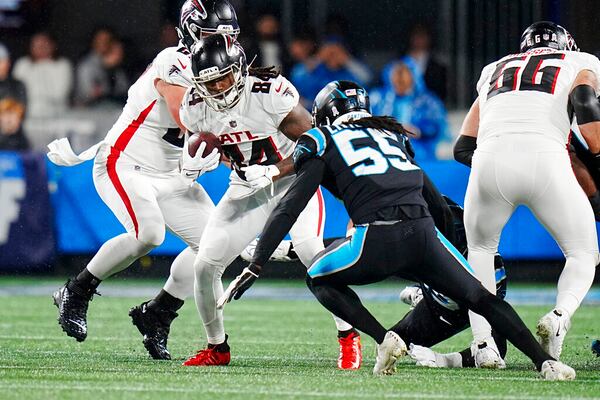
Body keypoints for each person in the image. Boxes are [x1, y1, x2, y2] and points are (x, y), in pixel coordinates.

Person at [220, 80, 576, 380]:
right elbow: (430, 195)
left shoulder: (322, 139)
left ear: (326, 114)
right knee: (482, 298)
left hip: (376, 238)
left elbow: (289, 205)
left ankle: (382, 338)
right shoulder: (392, 135)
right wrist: (451, 257)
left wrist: (257, 263)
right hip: (423, 235)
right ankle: (546, 363)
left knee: (319, 277)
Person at [48, 0, 239, 360]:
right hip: (125, 162)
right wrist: (224, 147)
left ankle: (159, 312)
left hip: (170, 174)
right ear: (191, 31)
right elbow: (188, 120)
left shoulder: (226, 66)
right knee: (149, 233)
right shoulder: (174, 60)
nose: (223, 46)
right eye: (214, 36)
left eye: (229, 37)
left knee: (217, 247)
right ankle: (77, 291)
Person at [178, 34, 360, 369]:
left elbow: (318, 145)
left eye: (224, 78)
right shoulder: (193, 106)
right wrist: (195, 163)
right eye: (210, 83)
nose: (218, 88)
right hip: (246, 187)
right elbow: (210, 148)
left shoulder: (268, 93)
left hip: (294, 180)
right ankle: (216, 347)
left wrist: (274, 171)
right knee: (204, 266)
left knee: (310, 249)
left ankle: (348, 335)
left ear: (240, 70)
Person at [454, 21, 600, 367]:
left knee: (480, 252)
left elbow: (462, 147)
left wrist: (501, 160)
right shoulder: (582, 61)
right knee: (582, 253)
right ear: (567, 45)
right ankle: (559, 318)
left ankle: (484, 346)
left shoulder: (495, 69)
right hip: (545, 157)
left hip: (488, 159)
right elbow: (583, 99)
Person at [370, 60, 450, 160]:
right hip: (385, 151)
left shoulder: (428, 101)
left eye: (403, 80)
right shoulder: (378, 98)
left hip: (421, 152)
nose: (400, 82)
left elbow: (437, 127)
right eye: (397, 81)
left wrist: (418, 131)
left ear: (413, 78)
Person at [12, 32, 72, 119]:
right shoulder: (23, 64)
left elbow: (59, 94)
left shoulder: (62, 65)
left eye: (43, 44)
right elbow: (17, 90)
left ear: (52, 45)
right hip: (27, 115)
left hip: (56, 115)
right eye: (35, 45)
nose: (39, 48)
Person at [74, 28, 130, 107]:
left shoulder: (117, 67)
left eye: (108, 40)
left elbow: (124, 90)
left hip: (114, 109)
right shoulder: (86, 65)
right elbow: (87, 94)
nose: (104, 43)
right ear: (93, 41)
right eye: (100, 40)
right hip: (90, 110)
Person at [404, 24, 448, 102]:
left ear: (428, 38)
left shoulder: (438, 67)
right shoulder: (400, 62)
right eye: (416, 36)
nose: (419, 40)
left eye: (422, 36)